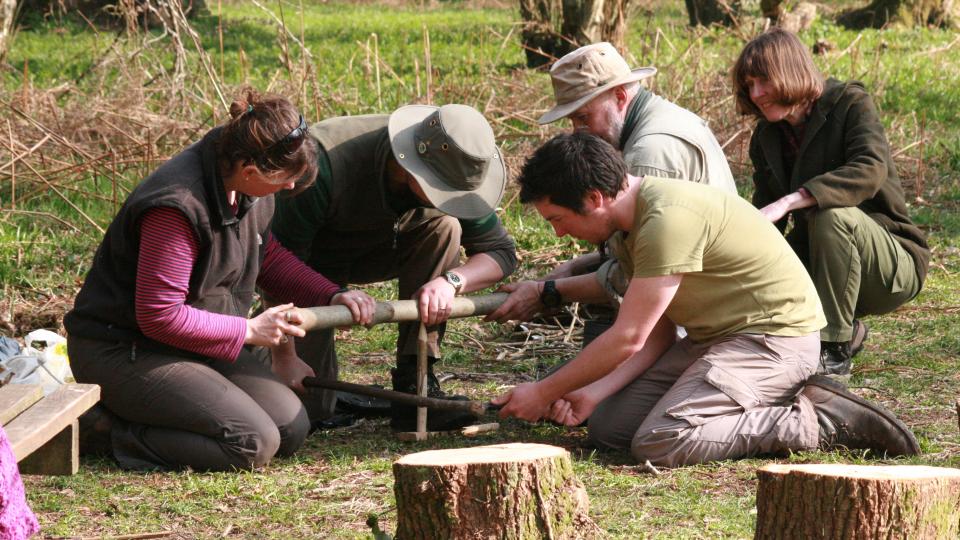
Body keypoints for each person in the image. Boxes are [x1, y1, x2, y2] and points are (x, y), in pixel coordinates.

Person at [487, 132, 920, 467]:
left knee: (660, 441)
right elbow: (653, 338)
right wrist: (592, 395)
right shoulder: (626, 227)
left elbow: (628, 338)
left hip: (773, 341)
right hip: (714, 341)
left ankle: (813, 420)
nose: (559, 233)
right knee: (609, 429)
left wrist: (544, 391)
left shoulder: (666, 219)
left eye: (558, 219)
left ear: (595, 198)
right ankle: (751, 399)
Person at [63, 90, 376, 472]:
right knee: (252, 443)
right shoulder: (177, 206)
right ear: (250, 171)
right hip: (123, 350)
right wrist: (248, 329)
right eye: (284, 180)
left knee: (291, 427)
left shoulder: (248, 184)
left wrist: (331, 294)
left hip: (196, 343)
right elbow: (159, 316)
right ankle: (106, 431)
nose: (290, 188)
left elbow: (268, 258)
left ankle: (162, 417)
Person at [270, 104, 517, 432]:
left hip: (388, 247)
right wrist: (284, 354)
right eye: (443, 193)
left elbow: (500, 253)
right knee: (304, 410)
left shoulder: (459, 167)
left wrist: (452, 281)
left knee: (445, 227)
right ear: (411, 168)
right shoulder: (321, 167)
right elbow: (276, 270)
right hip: (310, 265)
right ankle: (250, 360)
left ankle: (415, 383)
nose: (451, 200)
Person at [733, 28, 930, 376]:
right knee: (757, 270)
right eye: (749, 84)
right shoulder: (766, 135)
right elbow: (766, 216)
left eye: (763, 80)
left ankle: (834, 350)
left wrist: (794, 199)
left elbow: (870, 168)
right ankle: (843, 333)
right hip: (822, 264)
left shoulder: (850, 103)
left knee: (831, 216)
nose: (756, 93)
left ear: (789, 71)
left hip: (891, 264)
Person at [538, 42, 737, 338]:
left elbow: (637, 273)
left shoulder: (649, 154)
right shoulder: (664, 115)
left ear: (619, 97)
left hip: (709, 317)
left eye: (583, 118)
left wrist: (551, 292)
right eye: (572, 121)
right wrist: (576, 266)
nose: (579, 132)